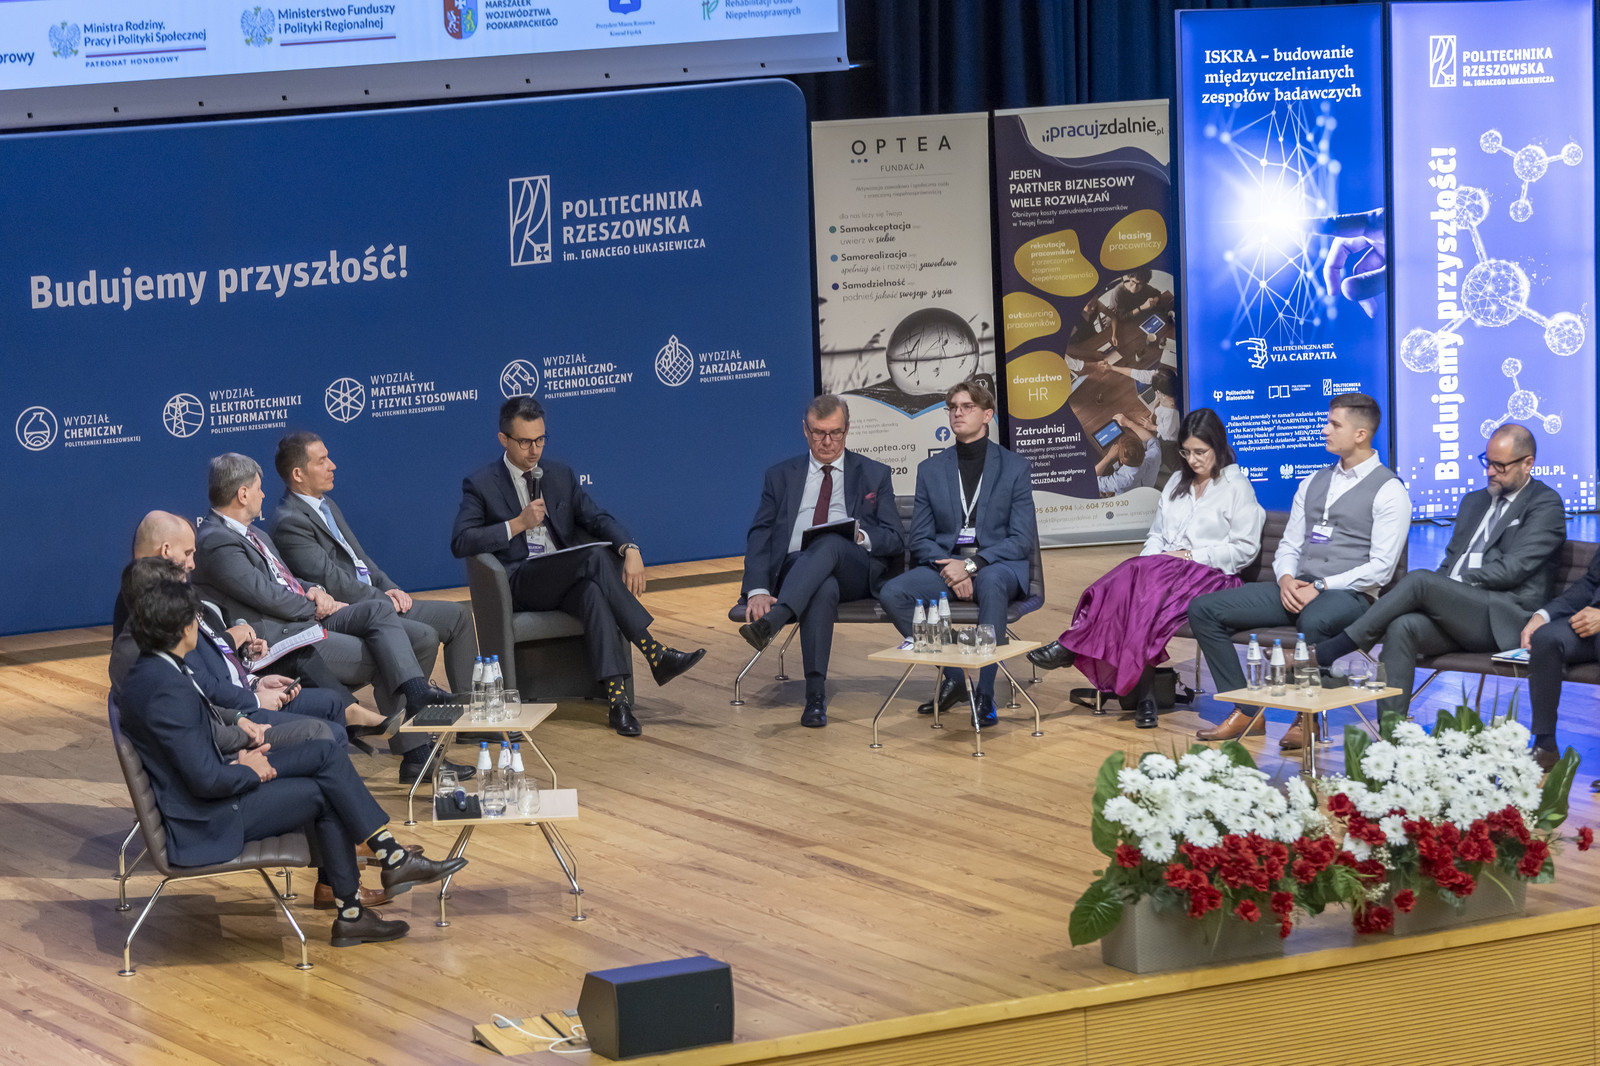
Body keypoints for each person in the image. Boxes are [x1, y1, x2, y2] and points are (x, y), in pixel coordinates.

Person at [117, 572, 467, 945]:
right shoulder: (165, 689)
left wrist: (240, 734)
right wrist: (248, 769)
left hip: (217, 788)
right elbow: (205, 779)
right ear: (182, 627)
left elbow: (198, 736)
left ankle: (376, 878)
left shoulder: (159, 670)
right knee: (325, 788)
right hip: (209, 818)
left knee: (324, 755)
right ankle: (372, 884)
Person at [192, 453, 462, 784]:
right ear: (243, 494)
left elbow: (286, 580)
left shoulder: (255, 534)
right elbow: (266, 595)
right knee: (389, 654)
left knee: (387, 617)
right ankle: (417, 754)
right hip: (282, 638)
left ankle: (417, 693)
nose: (264, 494)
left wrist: (315, 591)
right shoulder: (216, 541)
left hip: (305, 619)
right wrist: (314, 607)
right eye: (259, 488)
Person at [450, 396, 704, 737]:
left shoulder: (559, 475)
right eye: (525, 442)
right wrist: (517, 524)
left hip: (565, 576)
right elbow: (461, 541)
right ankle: (653, 650)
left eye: (540, 440)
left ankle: (618, 703)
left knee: (592, 593)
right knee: (593, 558)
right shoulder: (481, 484)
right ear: (503, 439)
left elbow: (597, 518)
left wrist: (630, 547)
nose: (534, 450)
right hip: (520, 581)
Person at [1315, 424, 1564, 753]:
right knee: (1403, 626)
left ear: (1528, 463)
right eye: (1487, 461)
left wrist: (1446, 587)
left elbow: (1514, 569)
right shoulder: (1474, 502)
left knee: (1420, 580)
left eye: (1500, 466)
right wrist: (1442, 590)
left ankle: (1336, 649)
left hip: (1502, 616)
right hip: (1460, 615)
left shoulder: (1545, 504)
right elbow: (1450, 562)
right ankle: (1392, 738)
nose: (1490, 471)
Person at [1187, 393, 1410, 748]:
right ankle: (1247, 710)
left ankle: (1306, 719)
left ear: (1361, 434)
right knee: (1204, 609)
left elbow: (1381, 569)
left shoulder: (1389, 490)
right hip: (1299, 586)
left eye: (1334, 424)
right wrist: (1287, 579)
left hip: (1351, 595)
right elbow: (1290, 544)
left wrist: (1321, 586)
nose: (1324, 430)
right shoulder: (1312, 481)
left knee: (1315, 619)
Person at [1028, 409, 1264, 728]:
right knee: (1141, 588)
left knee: (1139, 586)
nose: (1193, 460)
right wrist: (1154, 561)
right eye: (1186, 452)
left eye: (1200, 452)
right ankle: (1145, 696)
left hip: (1212, 577)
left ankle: (1076, 645)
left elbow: (1244, 550)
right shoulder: (1177, 482)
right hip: (1165, 573)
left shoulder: (1237, 487)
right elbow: (1156, 535)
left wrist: (1189, 556)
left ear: (1218, 447)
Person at [737, 395, 906, 727]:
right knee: (822, 586)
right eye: (819, 433)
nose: (827, 442)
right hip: (796, 570)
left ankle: (775, 620)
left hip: (853, 570)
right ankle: (815, 697)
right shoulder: (780, 476)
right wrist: (758, 589)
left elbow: (895, 537)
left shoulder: (874, 474)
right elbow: (760, 535)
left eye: (835, 433)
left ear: (847, 430)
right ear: (805, 430)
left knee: (830, 540)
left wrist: (860, 536)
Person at [877, 380, 1038, 726]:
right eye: (953, 407)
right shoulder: (931, 469)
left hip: (995, 565)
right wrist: (953, 568)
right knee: (893, 593)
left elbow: (1021, 539)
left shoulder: (1014, 467)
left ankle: (986, 694)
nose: (957, 413)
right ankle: (954, 675)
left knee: (992, 583)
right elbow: (920, 539)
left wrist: (971, 565)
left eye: (967, 407)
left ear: (987, 415)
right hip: (946, 566)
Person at [269, 431, 478, 695]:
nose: (332, 465)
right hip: (352, 611)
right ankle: (411, 717)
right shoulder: (290, 521)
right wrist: (383, 600)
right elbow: (332, 581)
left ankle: (472, 708)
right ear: (298, 474)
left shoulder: (325, 504)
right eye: (321, 461)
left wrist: (391, 589)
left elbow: (361, 559)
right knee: (424, 635)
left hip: (376, 599)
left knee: (459, 616)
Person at [1520, 515, 1600, 775]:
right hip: (1592, 621)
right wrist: (1543, 615)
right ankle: (1545, 747)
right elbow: (1591, 583)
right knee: (1546, 638)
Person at [1095, 416, 1160, 496]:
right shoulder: (1155, 455)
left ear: (1121, 461)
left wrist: (1108, 457)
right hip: (1148, 490)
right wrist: (1129, 423)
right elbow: (1152, 440)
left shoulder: (1117, 482)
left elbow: (1092, 480)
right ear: (1142, 449)